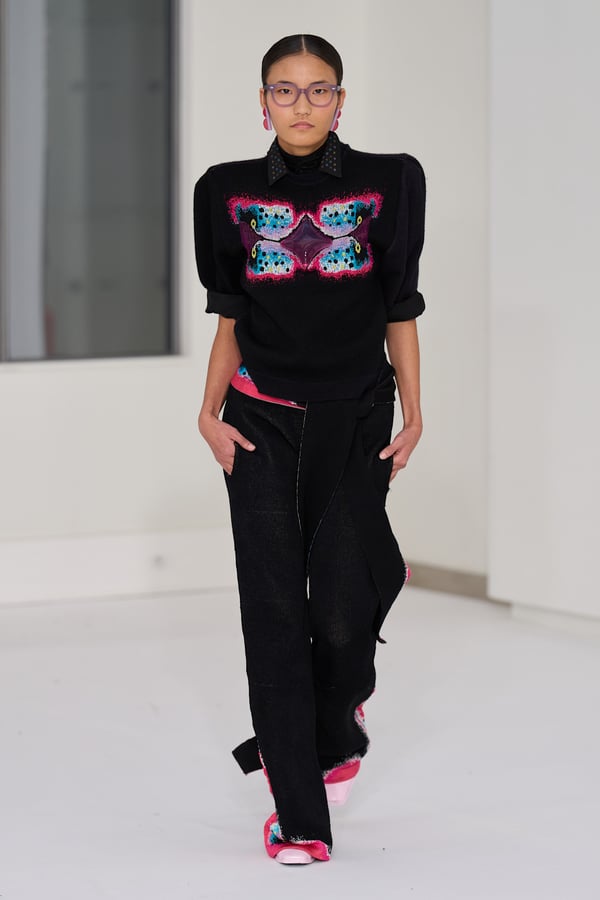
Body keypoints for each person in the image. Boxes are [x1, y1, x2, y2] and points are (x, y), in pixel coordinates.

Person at [193, 33, 426, 865]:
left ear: (340, 100)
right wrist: (207, 412)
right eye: (284, 90)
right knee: (273, 613)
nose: (302, 104)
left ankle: (340, 718)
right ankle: (300, 817)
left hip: (356, 416)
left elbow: (399, 305)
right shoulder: (223, 191)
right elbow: (230, 314)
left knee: (347, 600)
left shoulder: (391, 180)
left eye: (318, 89)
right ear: (264, 102)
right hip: (259, 419)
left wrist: (414, 410)